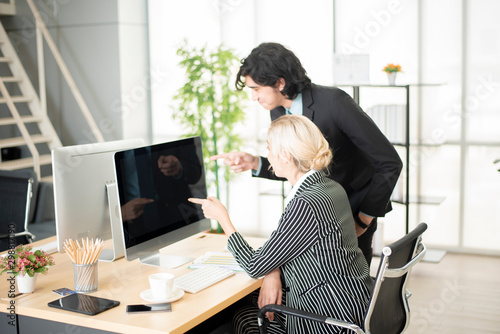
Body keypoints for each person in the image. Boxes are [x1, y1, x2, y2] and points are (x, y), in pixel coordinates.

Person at [212, 42, 402, 266]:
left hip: (351, 211)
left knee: (347, 287)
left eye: (256, 89)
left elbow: (389, 163)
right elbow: (298, 168)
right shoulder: (278, 110)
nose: (253, 97)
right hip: (314, 216)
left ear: (280, 83)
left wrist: (363, 221)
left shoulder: (334, 103)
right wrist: (254, 163)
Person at [190, 115, 373, 333]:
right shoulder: (330, 187)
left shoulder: (306, 202)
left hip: (327, 318)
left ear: (285, 155)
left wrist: (223, 219)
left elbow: (255, 265)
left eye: (269, 149)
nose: (268, 157)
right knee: (251, 298)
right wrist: (273, 270)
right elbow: (287, 244)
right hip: (353, 301)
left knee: (242, 316)